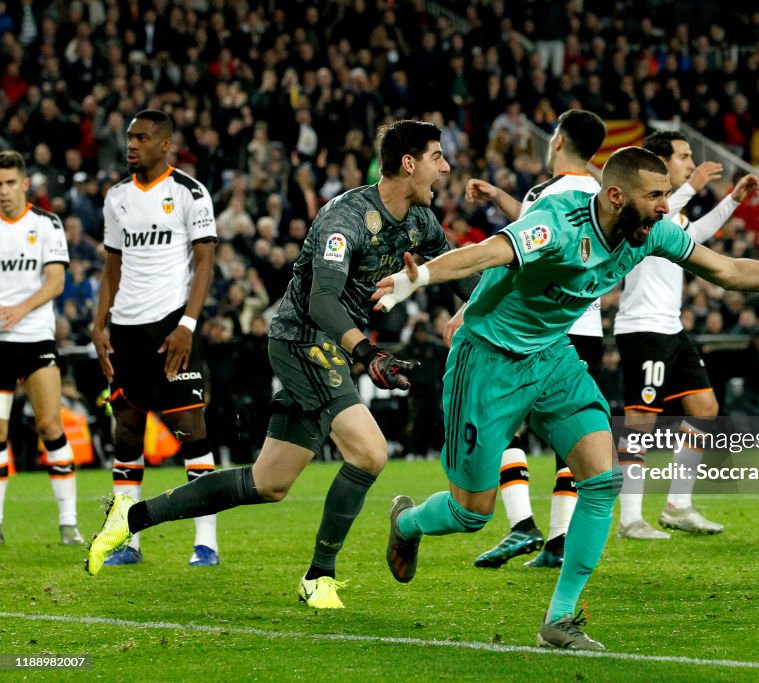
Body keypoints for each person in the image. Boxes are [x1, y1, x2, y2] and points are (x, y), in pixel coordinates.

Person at [373, 146, 759, 650]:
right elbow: (490, 252)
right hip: (489, 361)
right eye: (655, 195)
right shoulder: (559, 222)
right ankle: (409, 521)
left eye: (666, 194)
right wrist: (419, 276)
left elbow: (726, 271)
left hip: (551, 358)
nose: (666, 206)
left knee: (602, 477)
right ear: (616, 196)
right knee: (473, 512)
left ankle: (561, 618)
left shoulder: (653, 232)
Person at [85, 121, 479, 611]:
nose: (445, 167)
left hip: (332, 348)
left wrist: (479, 303)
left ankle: (129, 518)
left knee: (267, 484)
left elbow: (465, 272)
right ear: (408, 163)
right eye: (437, 156)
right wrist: (368, 354)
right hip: (302, 340)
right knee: (371, 453)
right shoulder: (347, 217)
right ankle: (319, 575)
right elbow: (321, 301)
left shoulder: (420, 221)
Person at [464, 109, 607, 569]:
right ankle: (561, 539)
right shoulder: (604, 196)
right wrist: (499, 196)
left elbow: (520, 250)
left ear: (559, 140)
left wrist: (467, 309)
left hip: (540, 331)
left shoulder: (547, 192)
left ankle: (522, 524)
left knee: (503, 423)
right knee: (571, 438)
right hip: (589, 327)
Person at [613, 130, 759, 539]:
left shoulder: (673, 214)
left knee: (704, 408)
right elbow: (648, 217)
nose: (691, 163)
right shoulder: (641, 207)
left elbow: (694, 236)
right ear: (659, 164)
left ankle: (678, 505)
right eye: (684, 156)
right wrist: (693, 188)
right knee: (640, 422)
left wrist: (732, 199)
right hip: (643, 327)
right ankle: (630, 518)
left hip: (671, 327)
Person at [89, 109, 221, 568]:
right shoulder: (116, 197)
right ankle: (128, 539)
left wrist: (188, 324)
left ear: (165, 145)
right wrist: (99, 323)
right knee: (126, 431)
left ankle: (206, 542)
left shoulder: (190, 193)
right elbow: (112, 267)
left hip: (170, 328)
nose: (131, 146)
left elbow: (204, 263)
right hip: (125, 331)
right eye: (129, 138)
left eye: (141, 138)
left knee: (191, 430)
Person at [0, 150, 82, 546]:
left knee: (50, 425)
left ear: (25, 184)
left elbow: (55, 282)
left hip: (34, 338)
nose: (4, 191)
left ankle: (68, 522)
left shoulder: (46, 224)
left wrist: (18, 309)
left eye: (10, 182)